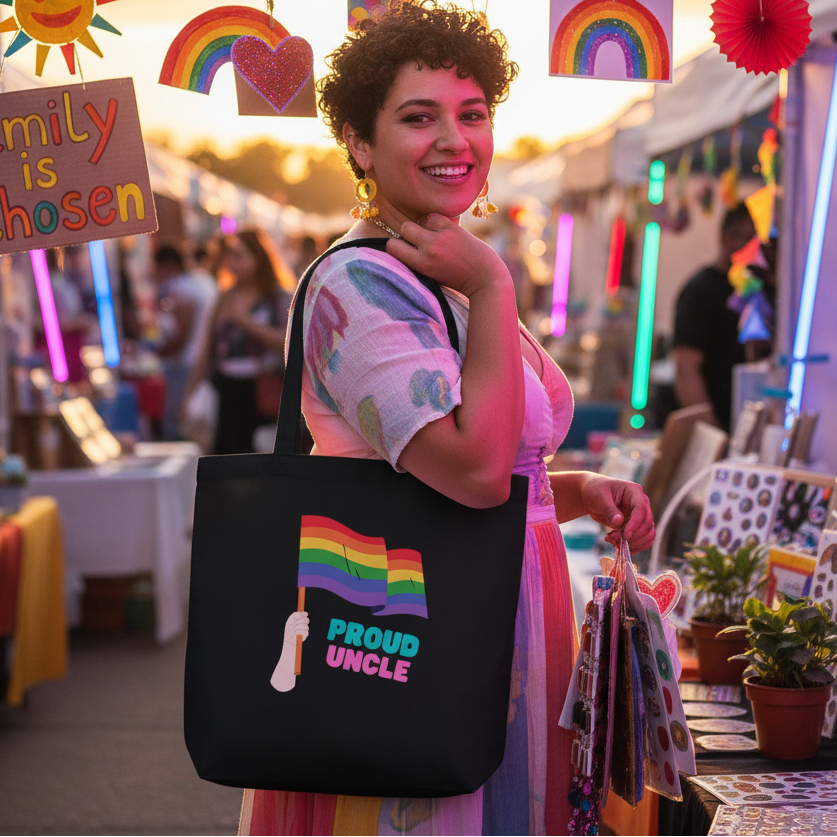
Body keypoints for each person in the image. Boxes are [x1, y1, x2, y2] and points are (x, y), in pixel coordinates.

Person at [238, 4, 655, 836]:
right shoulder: (360, 286)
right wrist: (496, 286)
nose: (453, 140)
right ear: (359, 141)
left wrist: (574, 491)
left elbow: (498, 474)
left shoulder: (444, 270)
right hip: (416, 648)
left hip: (498, 631)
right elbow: (469, 472)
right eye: (418, 117)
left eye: (471, 115)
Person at [184, 230, 289, 454]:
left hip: (263, 392)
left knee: (260, 458)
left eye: (239, 255)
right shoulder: (224, 297)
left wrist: (246, 322)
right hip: (226, 391)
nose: (232, 262)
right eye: (229, 255)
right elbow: (206, 350)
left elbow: (288, 344)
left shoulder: (276, 297)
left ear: (258, 258)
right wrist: (189, 394)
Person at [672, 204, 757, 432]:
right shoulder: (701, 291)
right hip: (720, 428)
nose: (758, 251)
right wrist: (712, 431)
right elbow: (686, 369)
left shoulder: (757, 288)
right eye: (750, 240)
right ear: (727, 239)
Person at [153, 244, 218, 440]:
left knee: (177, 418)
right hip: (201, 358)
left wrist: (157, 353)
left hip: (186, 362)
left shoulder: (182, 286)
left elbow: (181, 334)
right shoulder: (202, 280)